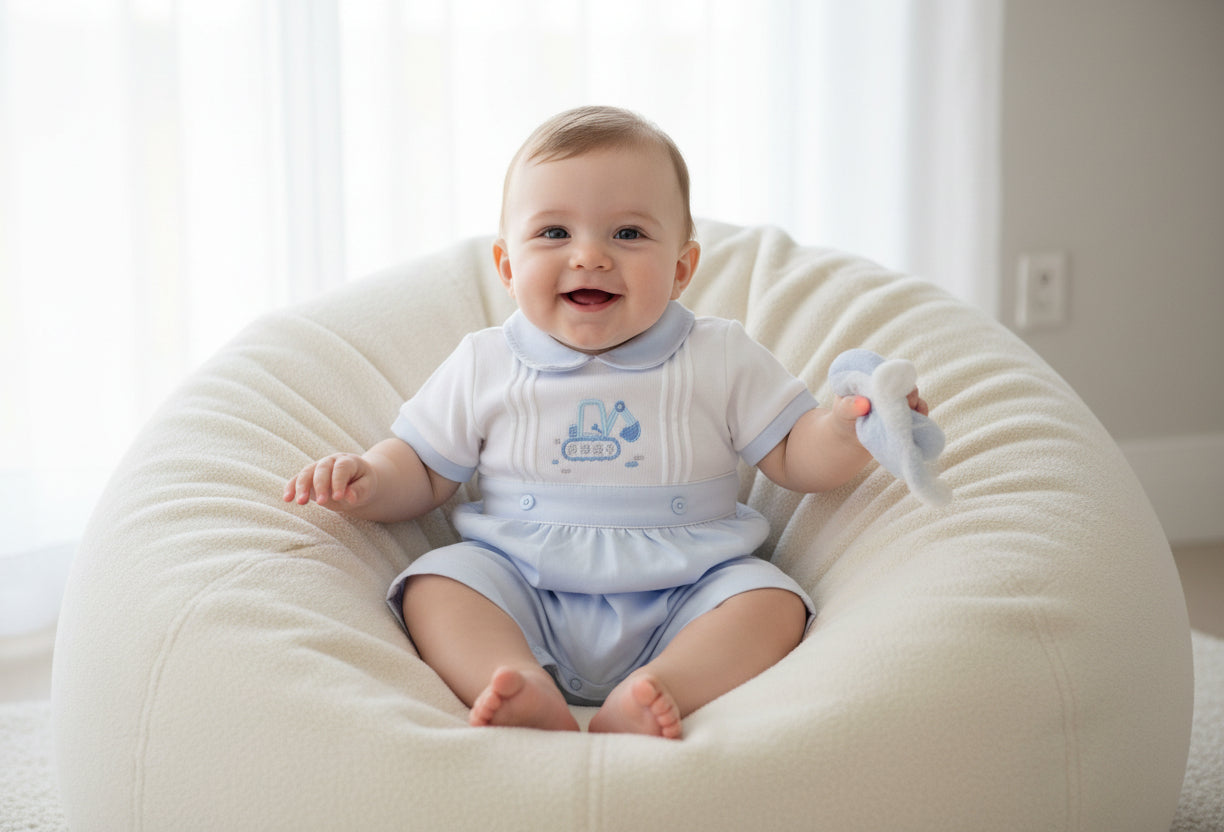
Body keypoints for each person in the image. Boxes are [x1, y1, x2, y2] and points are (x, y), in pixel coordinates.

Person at [283, 105, 928, 739]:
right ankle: (513, 677)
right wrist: (367, 477)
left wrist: (849, 429)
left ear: (681, 269)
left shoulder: (719, 355)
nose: (589, 256)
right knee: (435, 585)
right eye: (554, 234)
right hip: (522, 583)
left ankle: (662, 688)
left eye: (627, 234)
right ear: (508, 268)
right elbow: (421, 468)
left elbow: (794, 452)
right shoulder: (486, 361)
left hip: (689, 588)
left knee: (772, 603)